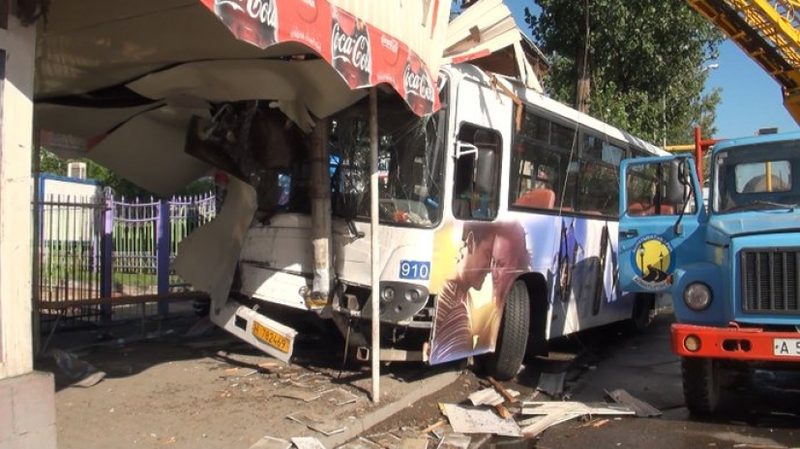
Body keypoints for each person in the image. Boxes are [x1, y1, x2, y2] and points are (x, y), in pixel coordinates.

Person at [430, 222, 496, 364]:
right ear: (471, 243)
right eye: (487, 255)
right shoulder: (455, 306)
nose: (490, 268)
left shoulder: (460, 294)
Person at [472, 222, 530, 351]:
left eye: (500, 264)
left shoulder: (515, 313)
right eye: (493, 261)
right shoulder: (489, 311)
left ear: (517, 266)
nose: (493, 272)